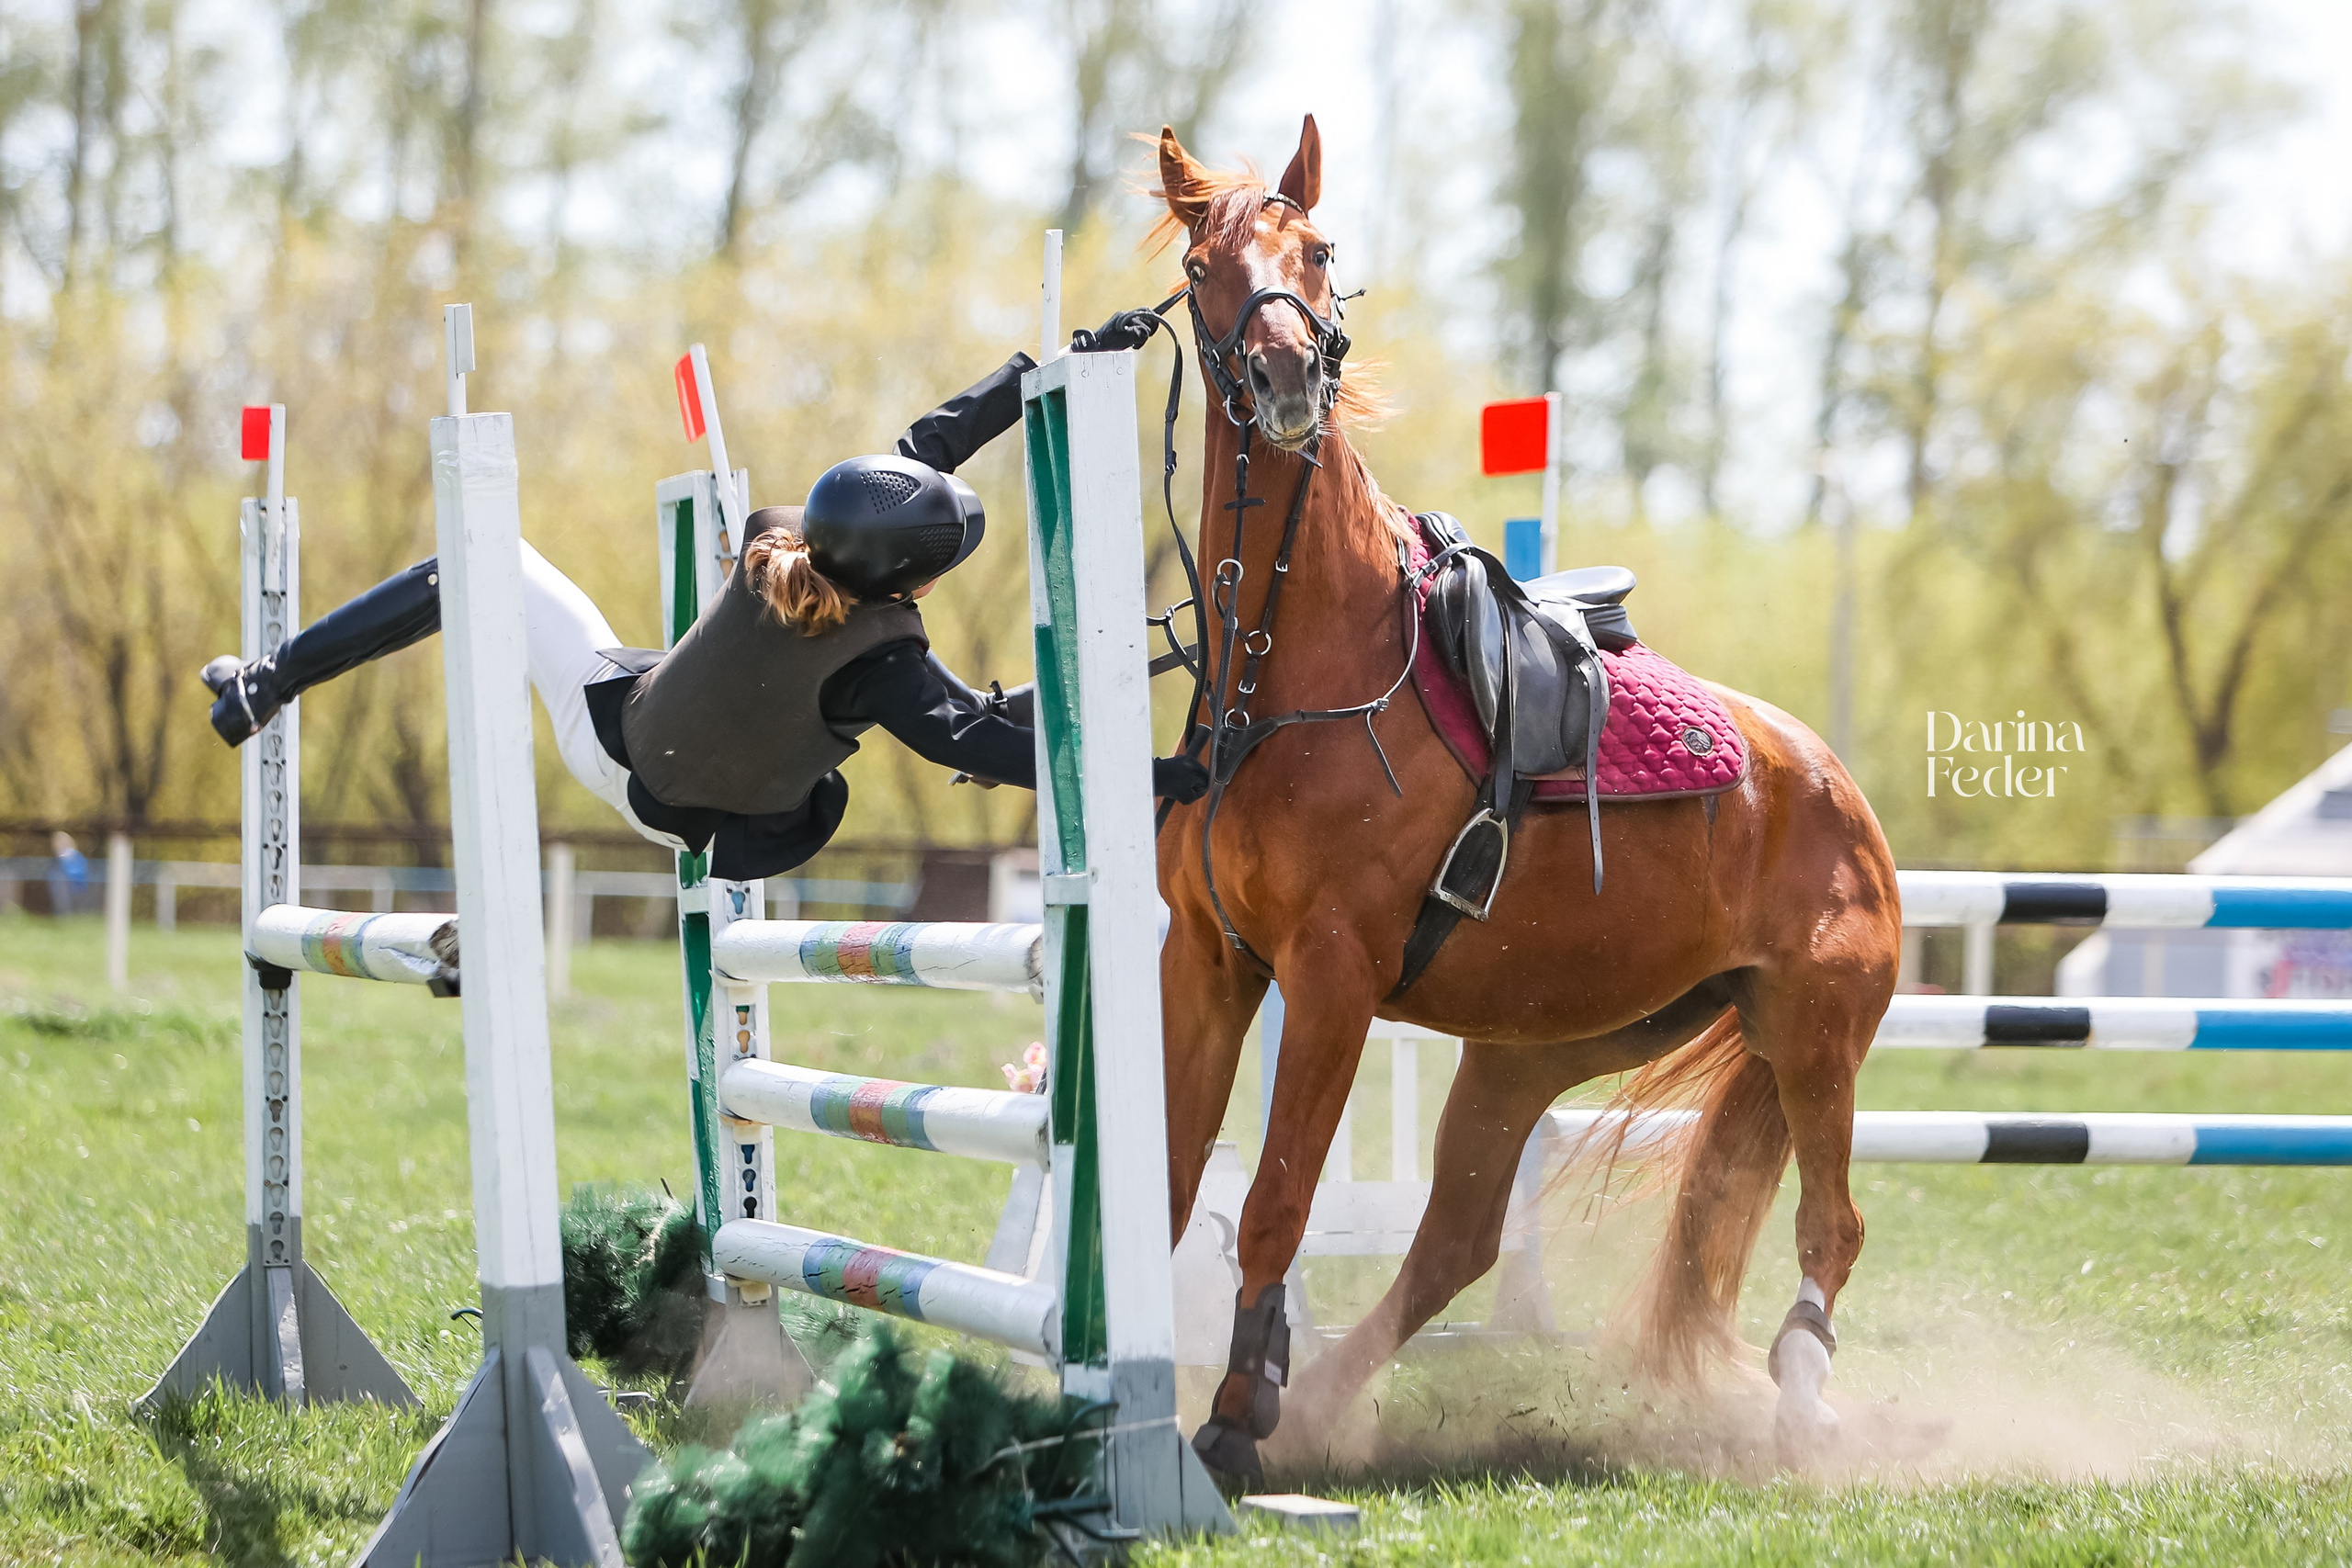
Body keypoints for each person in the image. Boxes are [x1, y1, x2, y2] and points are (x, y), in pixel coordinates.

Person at [197, 343, 1208, 881]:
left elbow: (919, 444)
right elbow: (977, 747)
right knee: (960, 721)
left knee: (482, 559)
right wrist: (1164, 778)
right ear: (913, 583)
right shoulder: (889, 666)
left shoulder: (789, 527)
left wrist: (1041, 370)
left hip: (609, 717)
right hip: (680, 814)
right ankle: (264, 683)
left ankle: (264, 684)